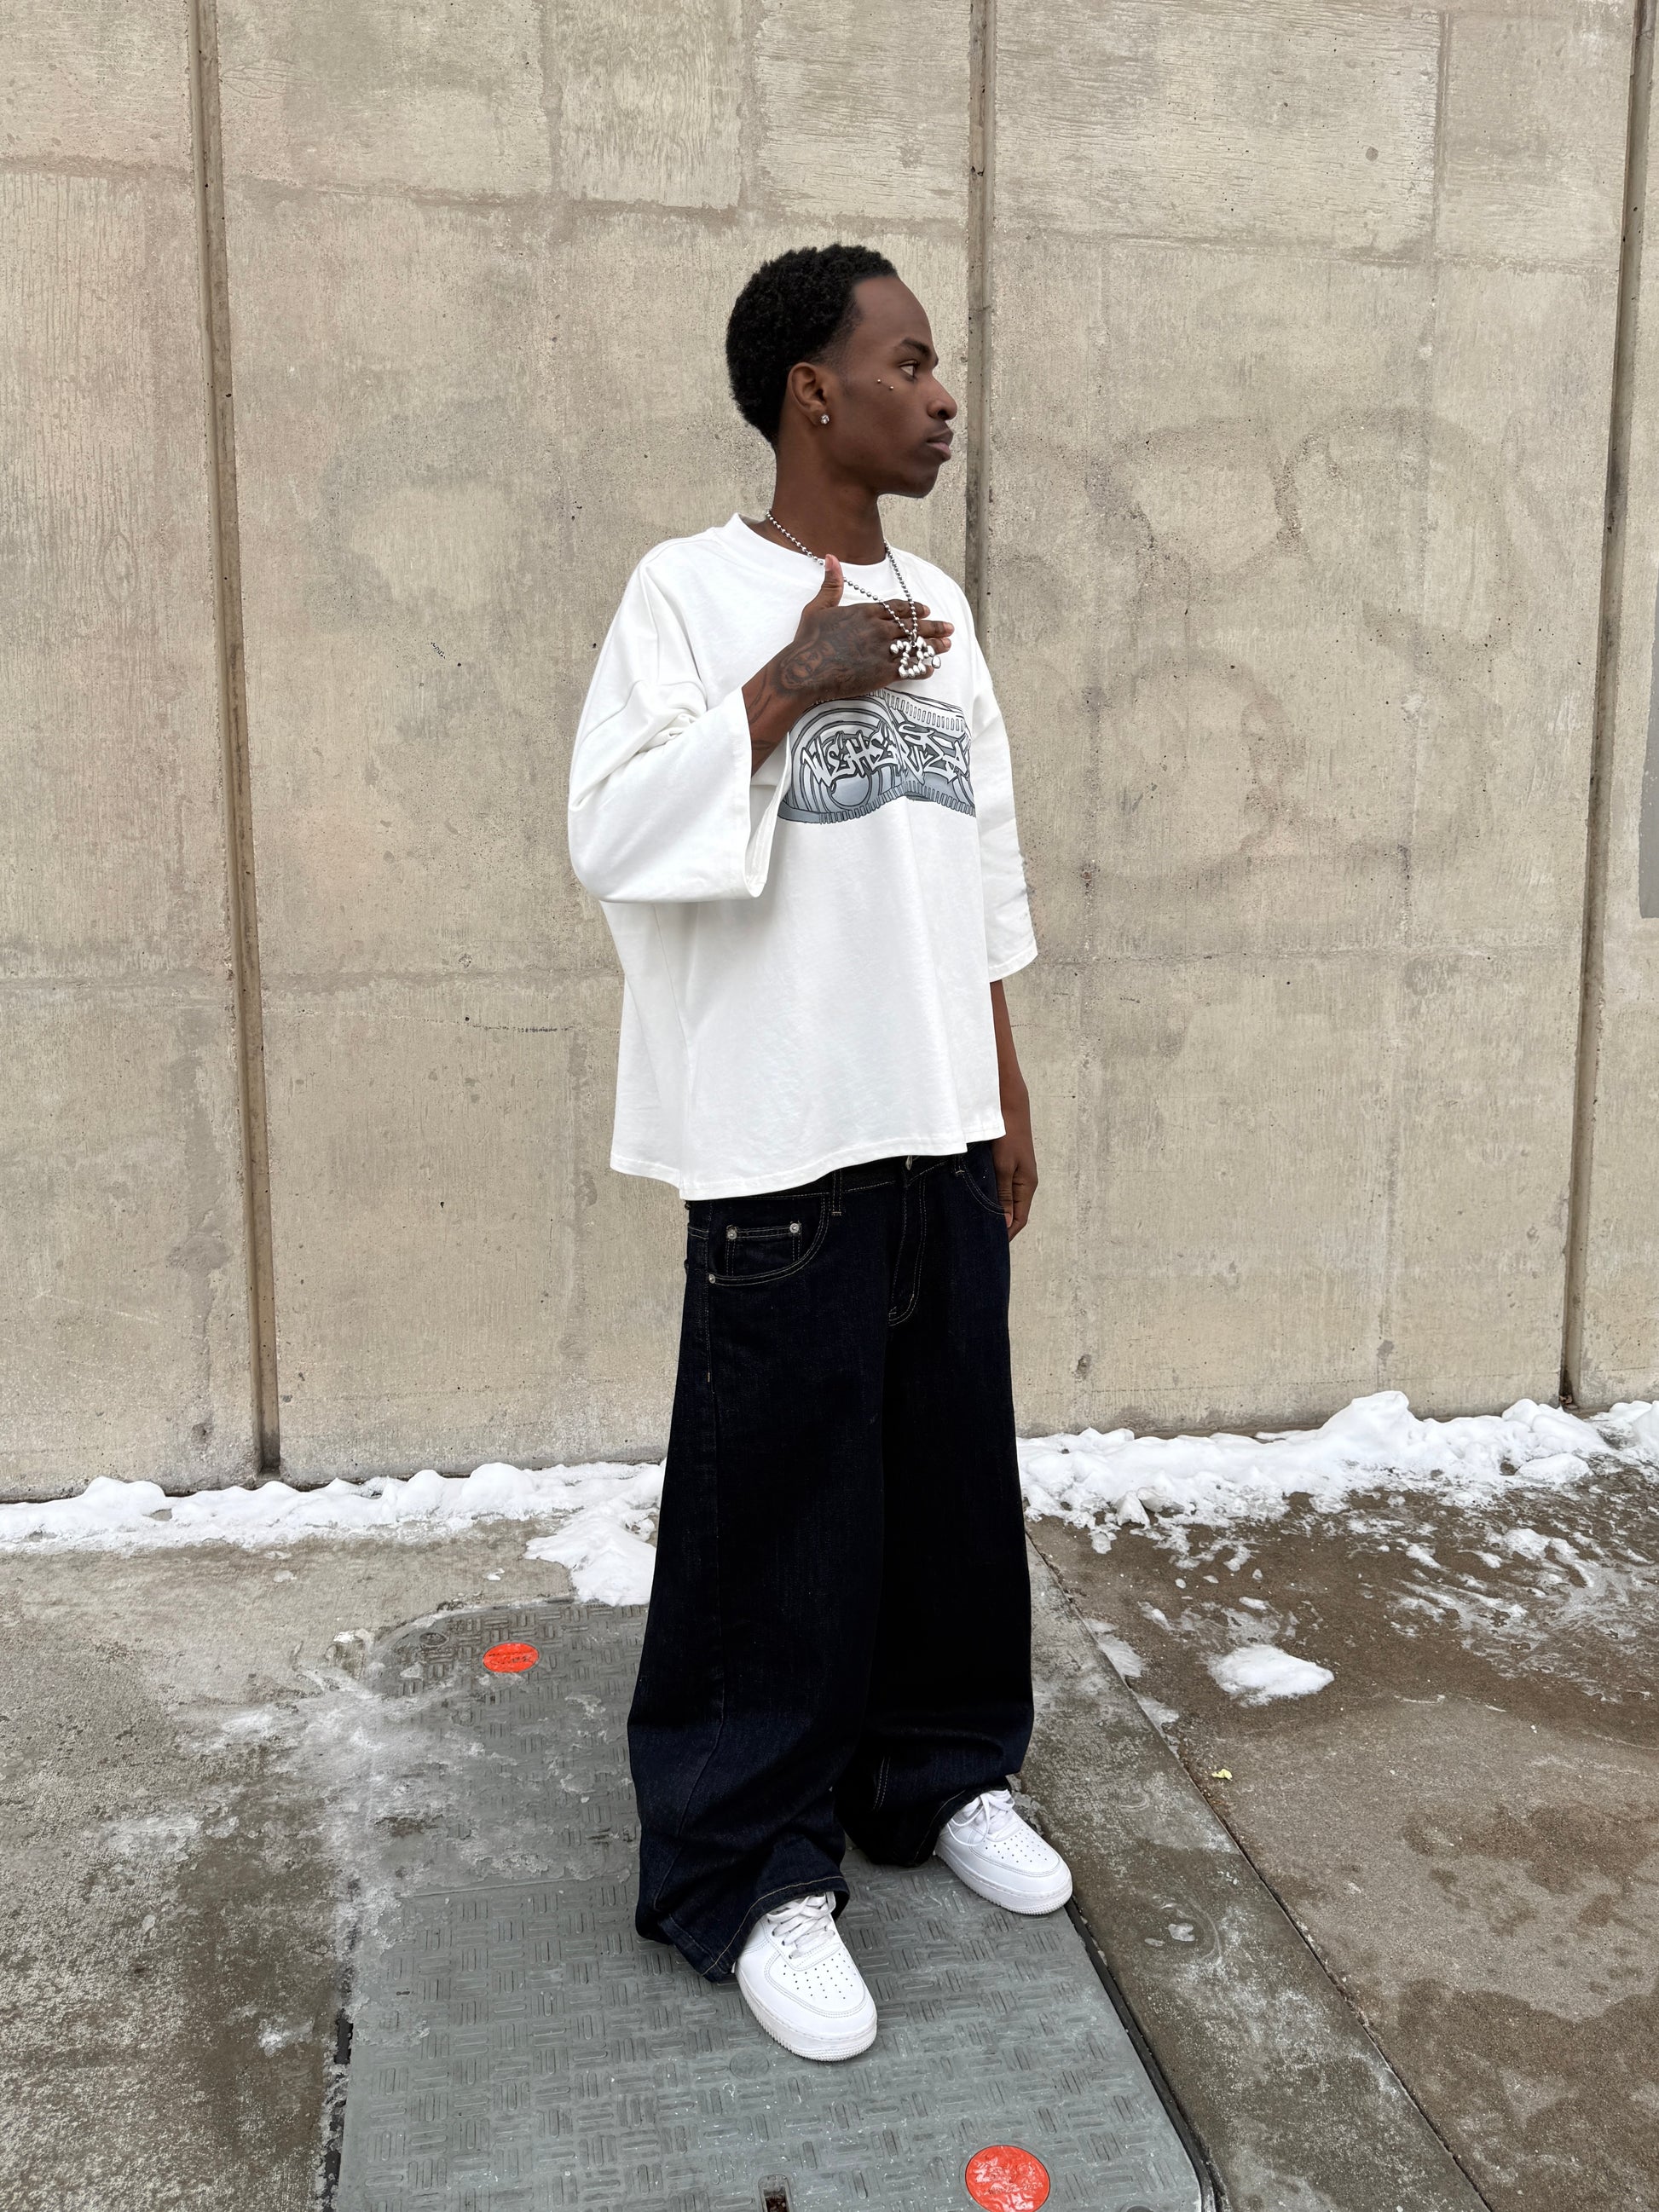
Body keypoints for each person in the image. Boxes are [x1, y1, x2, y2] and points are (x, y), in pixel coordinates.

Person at [567, 242, 1071, 2064]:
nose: (941, 397)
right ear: (813, 390)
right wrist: (791, 679)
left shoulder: (942, 605)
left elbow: (978, 864)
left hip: (933, 1113)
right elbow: (610, 827)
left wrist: (1003, 1087)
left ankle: (936, 1771)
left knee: (946, 1480)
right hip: (782, 1131)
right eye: (908, 362)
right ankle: (750, 1865)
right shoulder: (687, 593)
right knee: (774, 1509)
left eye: (936, 367)